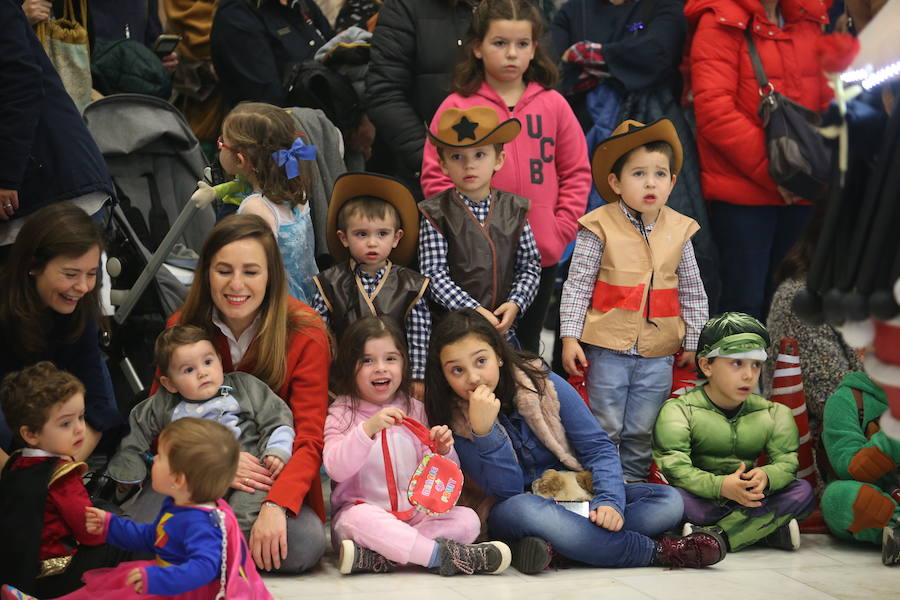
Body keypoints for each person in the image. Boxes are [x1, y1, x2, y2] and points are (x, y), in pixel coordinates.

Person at [424, 309, 727, 573]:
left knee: (668, 501)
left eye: (480, 361)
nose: (473, 377)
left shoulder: (539, 382)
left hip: (577, 495)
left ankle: (562, 549)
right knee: (524, 508)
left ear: (499, 356)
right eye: (457, 370)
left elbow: (597, 447)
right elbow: (507, 490)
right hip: (518, 510)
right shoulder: (455, 422)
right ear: (445, 375)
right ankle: (657, 551)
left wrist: (610, 502)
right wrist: (485, 432)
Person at [420, 0, 592, 355]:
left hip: (539, 258)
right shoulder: (457, 106)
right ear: (477, 47)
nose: (511, 54)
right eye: (500, 43)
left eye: (522, 44)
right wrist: (457, 234)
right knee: (476, 352)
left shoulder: (554, 105)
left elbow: (576, 172)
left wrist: (559, 232)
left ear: (534, 48)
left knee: (526, 351)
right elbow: (435, 177)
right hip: (471, 264)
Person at [166, 213, 331, 574]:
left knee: (305, 542)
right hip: (194, 476)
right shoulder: (181, 327)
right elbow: (160, 421)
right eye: (224, 270)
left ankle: (199, 552)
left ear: (271, 275)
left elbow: (309, 438)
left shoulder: (305, 330)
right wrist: (212, 463)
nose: (236, 285)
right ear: (206, 272)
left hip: (268, 480)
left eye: (251, 272)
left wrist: (276, 506)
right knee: (140, 525)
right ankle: (217, 552)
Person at [559, 118, 708, 483]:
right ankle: (603, 489)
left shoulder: (680, 230)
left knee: (643, 429)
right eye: (639, 174)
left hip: (657, 353)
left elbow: (692, 290)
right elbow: (577, 286)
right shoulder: (598, 226)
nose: (650, 183)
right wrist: (569, 337)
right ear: (616, 182)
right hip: (607, 348)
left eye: (660, 174)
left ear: (673, 182)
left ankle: (635, 489)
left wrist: (695, 340)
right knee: (605, 425)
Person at [1, 418, 274, 600]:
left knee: (114, 592)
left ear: (178, 479)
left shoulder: (204, 524)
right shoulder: (180, 506)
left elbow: (203, 569)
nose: (153, 458)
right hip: (165, 580)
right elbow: (152, 537)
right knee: (104, 591)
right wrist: (111, 526)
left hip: (183, 592)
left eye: (161, 457)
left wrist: (157, 577)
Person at [324, 315, 512, 575]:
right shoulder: (342, 413)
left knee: (467, 520)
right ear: (349, 366)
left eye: (390, 358)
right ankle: (440, 557)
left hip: (416, 519)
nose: (380, 368)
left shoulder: (416, 409)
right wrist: (367, 430)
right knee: (358, 520)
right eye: (367, 360)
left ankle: (383, 556)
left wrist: (443, 450)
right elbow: (336, 468)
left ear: (404, 362)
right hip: (363, 520)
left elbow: (440, 480)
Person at [685, 0, 833, 319]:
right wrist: (778, 175)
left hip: (804, 192)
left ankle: (782, 371)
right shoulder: (720, 21)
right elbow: (715, 114)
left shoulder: (808, 17)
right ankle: (738, 369)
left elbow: (829, 100)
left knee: (792, 304)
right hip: (744, 194)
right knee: (744, 303)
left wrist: (818, 172)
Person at [106, 325, 296, 534]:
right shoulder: (165, 403)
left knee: (244, 514)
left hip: (247, 476)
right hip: (192, 480)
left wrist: (277, 451)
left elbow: (277, 417)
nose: (202, 373)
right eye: (189, 369)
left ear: (220, 362)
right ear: (170, 383)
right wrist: (129, 473)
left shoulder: (244, 387)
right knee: (167, 520)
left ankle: (229, 552)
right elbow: (136, 429)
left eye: (207, 362)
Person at [652, 312, 816, 552]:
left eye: (756, 365)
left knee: (803, 491)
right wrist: (721, 486)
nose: (749, 375)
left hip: (751, 498)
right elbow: (675, 468)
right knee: (673, 501)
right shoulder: (679, 410)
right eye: (737, 363)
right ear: (706, 365)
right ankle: (763, 530)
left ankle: (714, 536)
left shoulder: (774, 413)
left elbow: (787, 462)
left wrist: (767, 476)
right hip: (702, 500)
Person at [0, 203, 126, 466]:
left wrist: (60, 470)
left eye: (91, 274)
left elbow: (98, 402)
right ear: (33, 266)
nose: (82, 287)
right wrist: (17, 475)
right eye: (70, 274)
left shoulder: (81, 311)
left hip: (55, 434)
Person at [0, 362, 128, 598]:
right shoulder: (62, 477)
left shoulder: (17, 462)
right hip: (57, 574)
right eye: (66, 423)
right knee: (125, 544)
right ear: (30, 434)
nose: (80, 429)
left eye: (81, 417)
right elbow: (89, 532)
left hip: (20, 569)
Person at [419, 106, 541, 346]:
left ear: (499, 160)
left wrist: (516, 302)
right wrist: (473, 309)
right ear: (442, 165)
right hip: (454, 335)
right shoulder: (435, 213)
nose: (469, 165)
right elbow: (433, 275)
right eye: (457, 157)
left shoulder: (515, 209)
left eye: (479, 155)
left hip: (502, 331)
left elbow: (529, 265)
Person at [0, 0, 113, 246]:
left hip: (48, 187)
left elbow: (21, 88)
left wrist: (6, 177)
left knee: (69, 278)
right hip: (37, 186)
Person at [311, 173, 431, 397]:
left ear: (396, 238)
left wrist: (417, 377)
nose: (372, 242)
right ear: (344, 238)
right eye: (361, 234)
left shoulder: (411, 285)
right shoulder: (329, 283)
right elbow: (320, 337)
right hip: (344, 385)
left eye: (382, 234)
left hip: (394, 384)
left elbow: (418, 337)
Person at [365, 0, 478, 197]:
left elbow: (538, 82)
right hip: (430, 180)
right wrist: (433, 160)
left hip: (509, 174)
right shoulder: (405, 7)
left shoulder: (513, 5)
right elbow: (384, 93)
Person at [221, 102, 319, 304]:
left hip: (279, 304)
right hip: (309, 296)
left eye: (222, 143)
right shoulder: (296, 189)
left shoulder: (256, 207)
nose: (220, 147)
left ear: (240, 159)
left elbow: (252, 267)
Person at [820, 371, 900, 566]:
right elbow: (849, 467)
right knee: (836, 499)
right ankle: (895, 526)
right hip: (877, 494)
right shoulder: (848, 399)